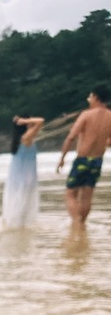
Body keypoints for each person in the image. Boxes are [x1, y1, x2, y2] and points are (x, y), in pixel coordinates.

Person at [56, 85, 111, 226]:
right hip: (97, 160)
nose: (89, 100)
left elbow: (71, 137)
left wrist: (62, 159)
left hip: (82, 159)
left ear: (96, 98)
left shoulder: (86, 115)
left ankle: (77, 223)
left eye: (90, 97)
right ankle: (83, 224)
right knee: (87, 195)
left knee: (70, 194)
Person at [2, 114, 44, 229]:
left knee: (19, 200)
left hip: (19, 176)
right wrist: (24, 120)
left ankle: (18, 225)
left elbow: (39, 123)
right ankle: (20, 226)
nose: (31, 122)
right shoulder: (26, 138)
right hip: (26, 177)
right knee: (23, 202)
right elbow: (41, 121)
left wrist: (22, 121)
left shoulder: (20, 139)